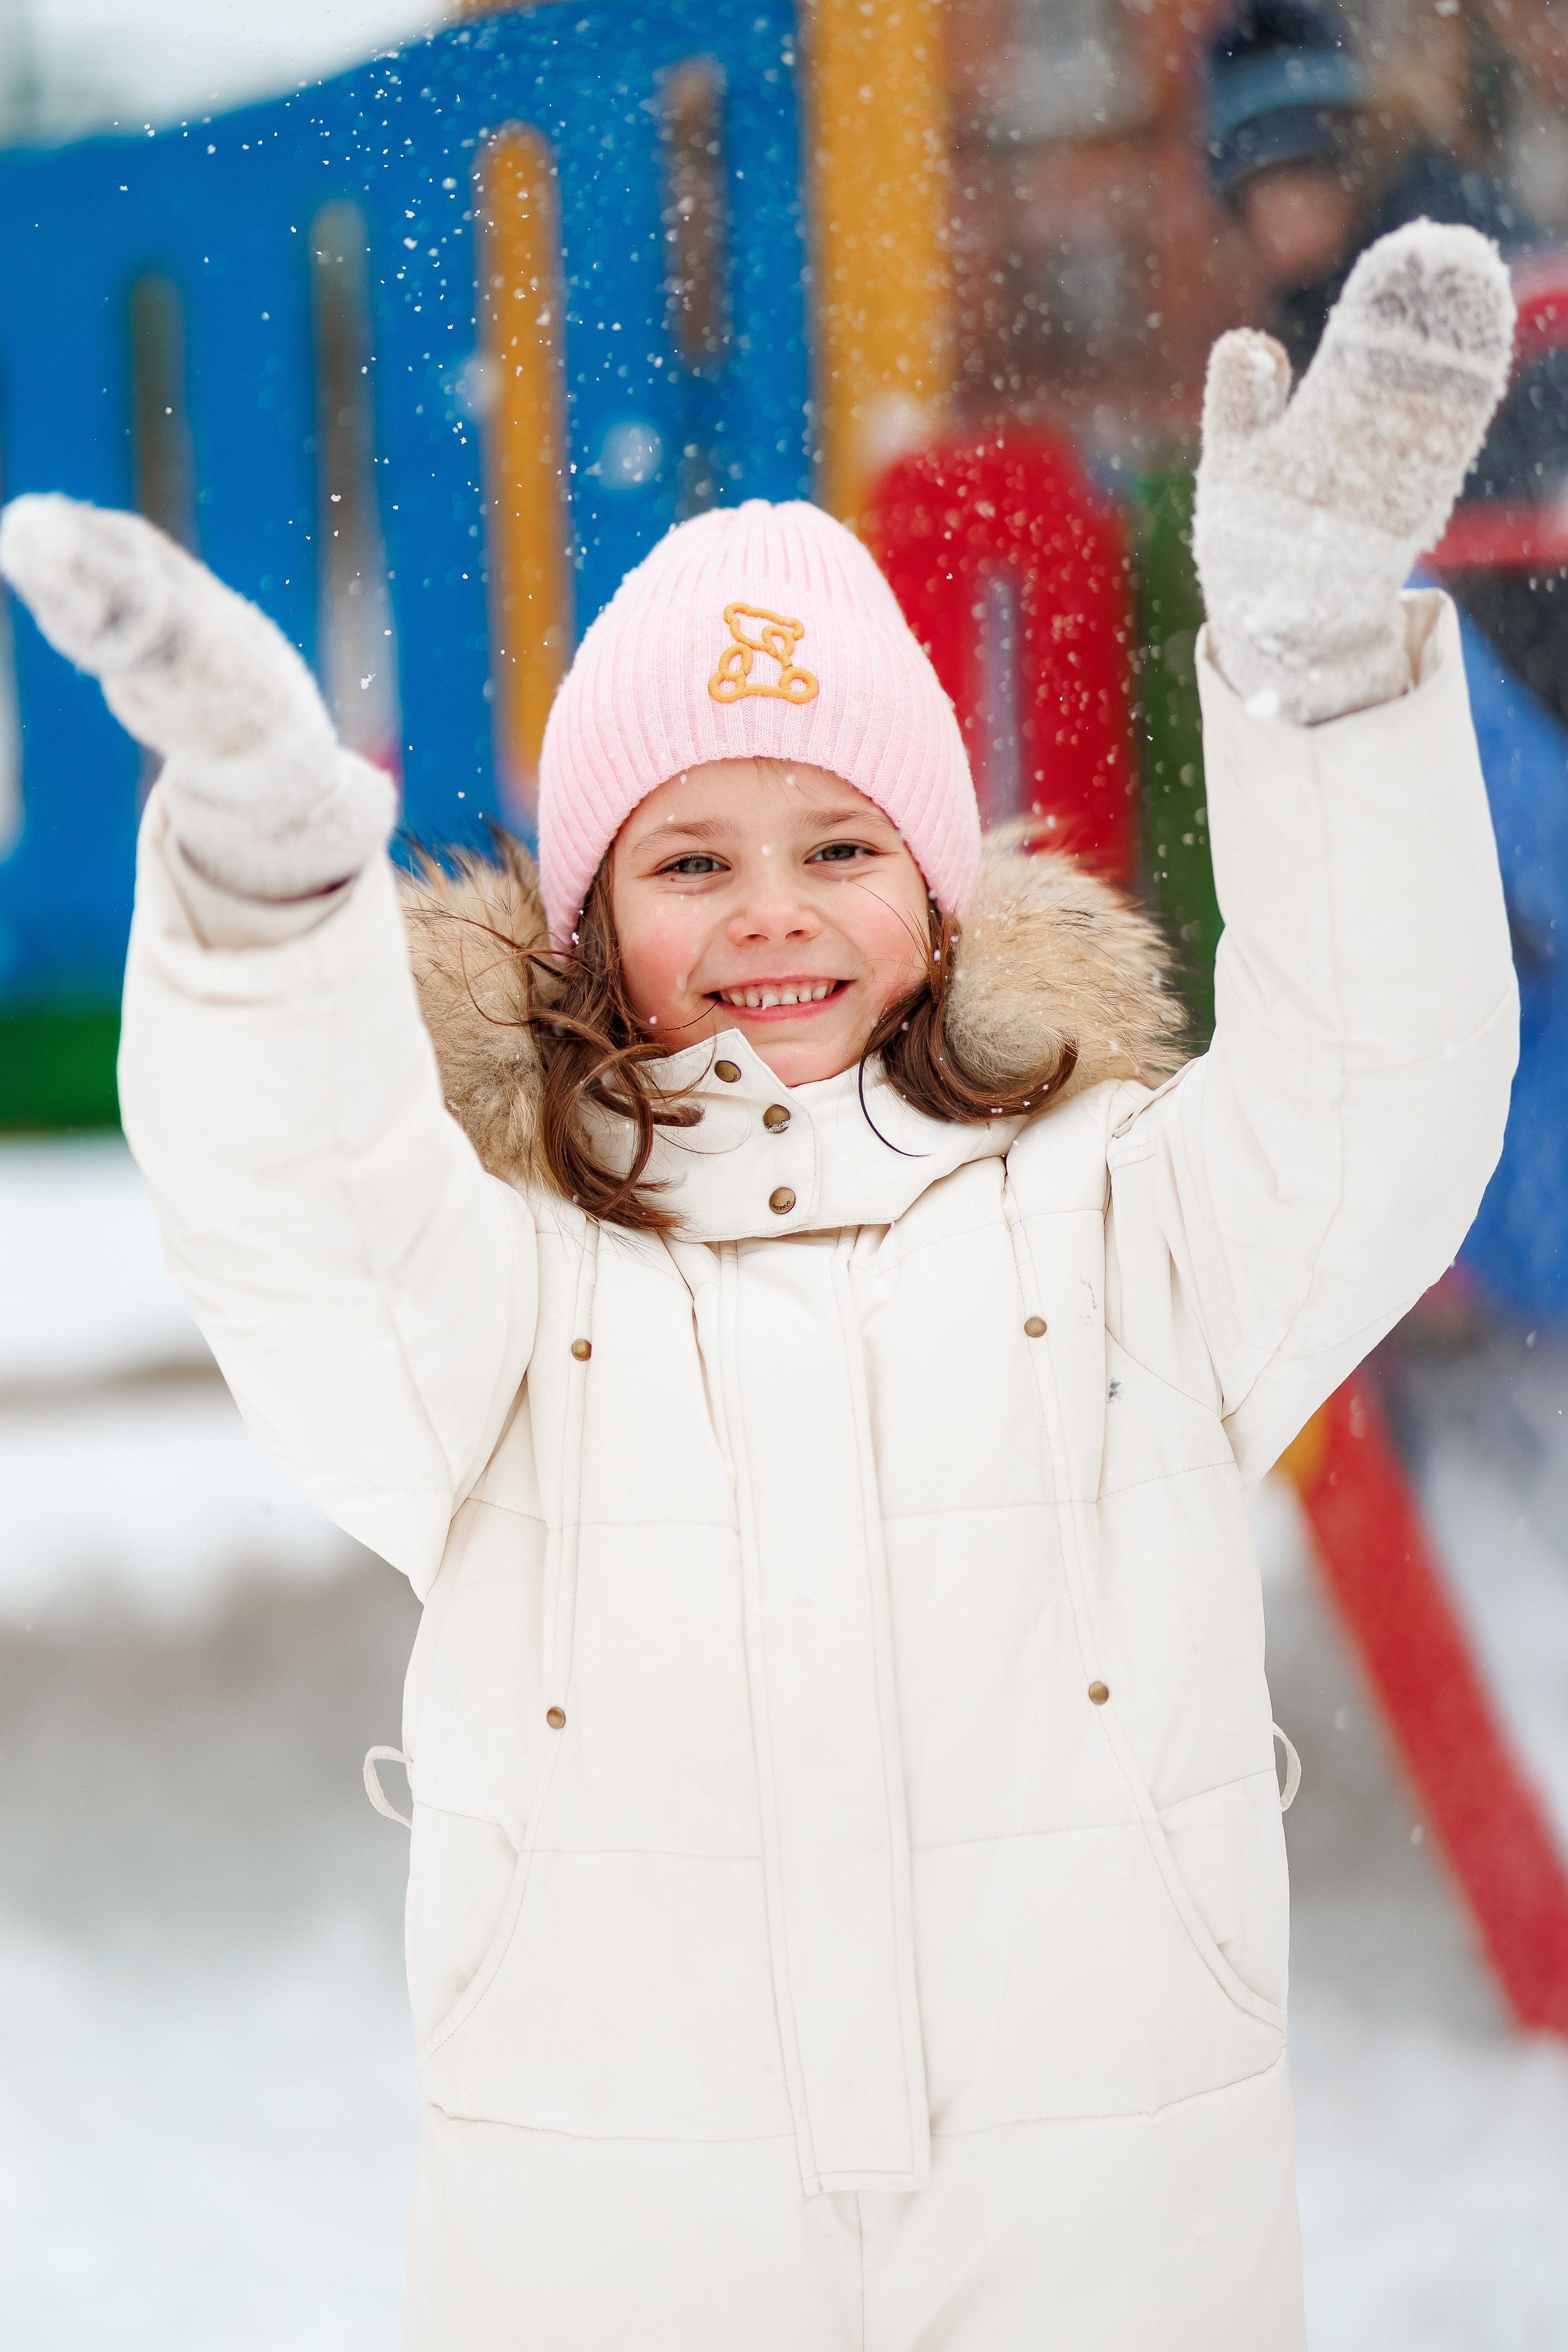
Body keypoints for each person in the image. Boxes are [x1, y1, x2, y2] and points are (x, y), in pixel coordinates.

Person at [1, 222, 1517, 2350]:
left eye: (838, 845)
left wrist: (1315, 677)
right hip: (623, 2241)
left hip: (1101, 2217)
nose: (770, 916)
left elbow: (1381, 1093)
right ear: (586, 915)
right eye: (689, 859)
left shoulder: (1122, 1221)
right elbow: (302, 1234)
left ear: (940, 880)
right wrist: (267, 884)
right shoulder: (512, 1293)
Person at [1205, 0, 1534, 372]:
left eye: (1297, 176)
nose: (1280, 221)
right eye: (1256, 203)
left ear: (1347, 165)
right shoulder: (1314, 297)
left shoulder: (1435, 247)